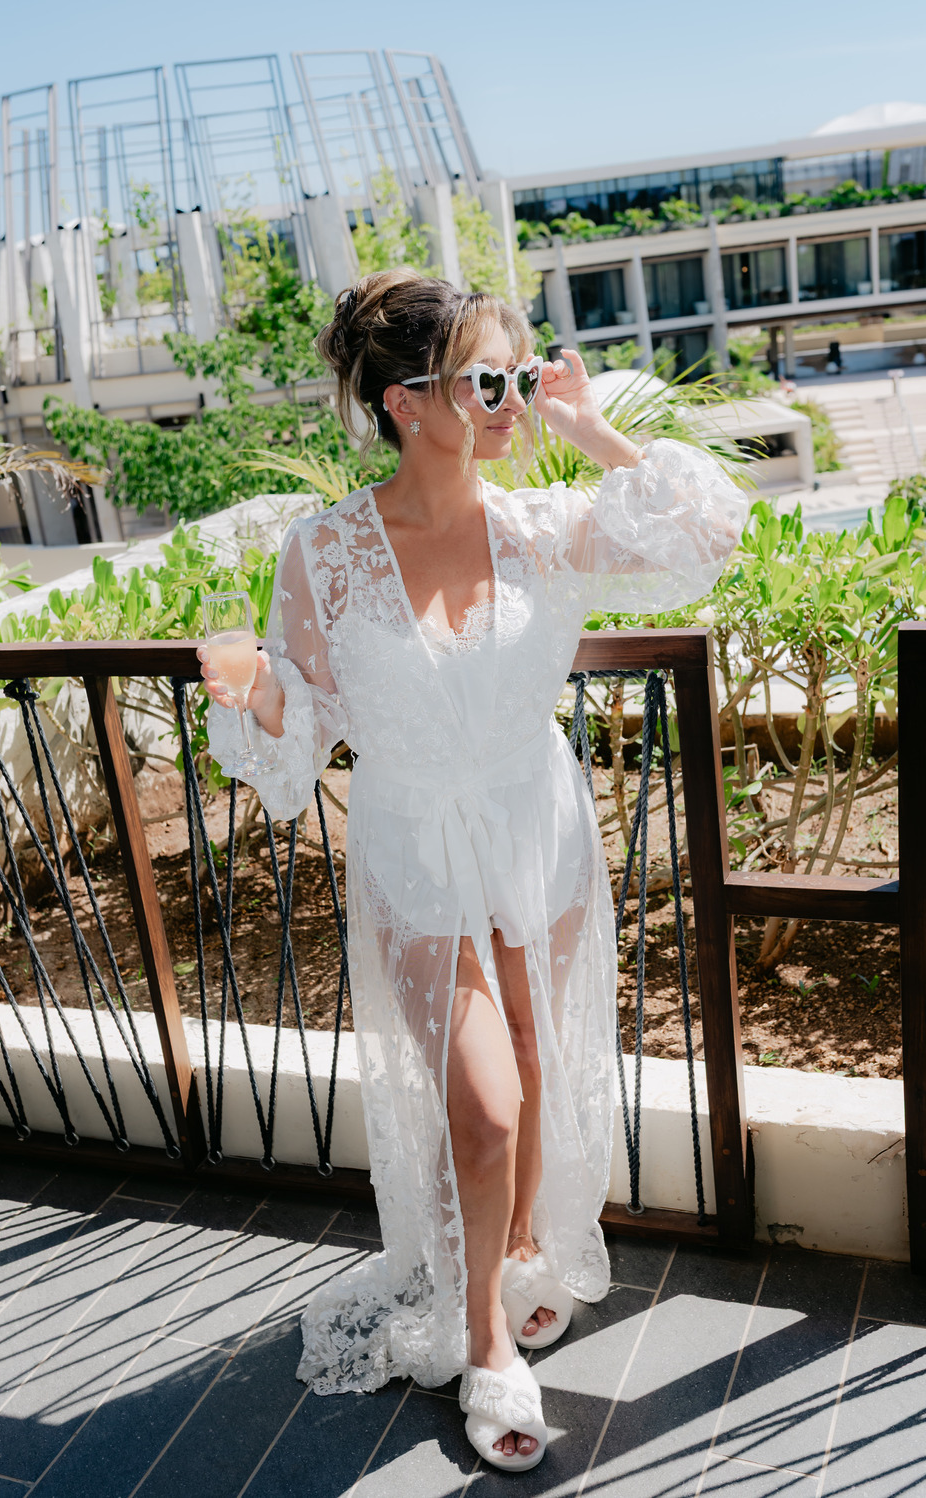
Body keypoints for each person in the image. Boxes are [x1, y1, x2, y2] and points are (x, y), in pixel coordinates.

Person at [200, 268, 747, 1472]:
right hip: (413, 839)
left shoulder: (540, 526)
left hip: (533, 819)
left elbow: (707, 532)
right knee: (484, 1102)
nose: (512, 401)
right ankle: (486, 1338)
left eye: (519, 375)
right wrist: (254, 694)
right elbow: (306, 723)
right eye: (487, 382)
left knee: (536, 1063)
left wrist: (582, 422)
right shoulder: (325, 551)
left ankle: (517, 1254)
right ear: (405, 403)